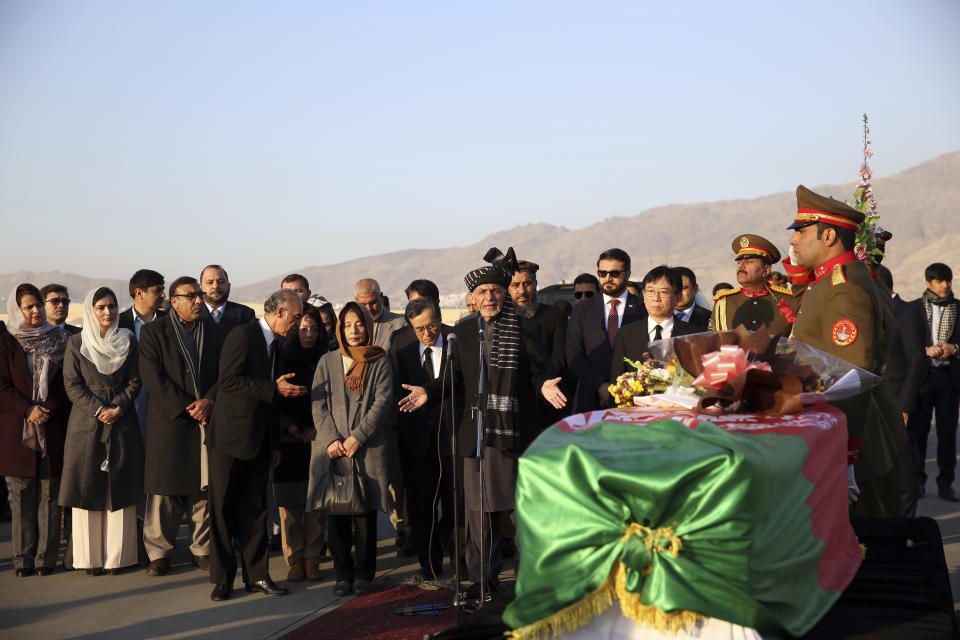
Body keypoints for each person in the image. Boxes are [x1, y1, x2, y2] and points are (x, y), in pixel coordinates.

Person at [450, 249, 566, 593]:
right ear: (472, 298)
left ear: (505, 294)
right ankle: (481, 581)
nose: (490, 297)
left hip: (515, 434)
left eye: (496, 291)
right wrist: (429, 391)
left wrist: (544, 382)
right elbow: (455, 378)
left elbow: (541, 368)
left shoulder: (525, 328)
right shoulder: (464, 331)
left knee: (520, 515)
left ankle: (528, 581)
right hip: (477, 437)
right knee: (477, 515)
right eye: (482, 292)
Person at [785, 184, 903, 517]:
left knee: (863, 549)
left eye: (801, 231)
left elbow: (852, 378)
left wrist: (846, 455)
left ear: (829, 237)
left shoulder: (843, 289)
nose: (793, 240)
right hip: (851, 433)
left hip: (856, 439)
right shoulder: (833, 281)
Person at [206, 289, 306, 601]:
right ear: (279, 313)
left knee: (257, 510)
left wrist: (274, 443)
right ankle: (223, 580)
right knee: (222, 509)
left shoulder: (278, 344)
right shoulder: (243, 335)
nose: (299, 323)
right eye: (297, 316)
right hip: (229, 438)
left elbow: (273, 400)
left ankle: (258, 576)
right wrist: (271, 388)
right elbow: (228, 381)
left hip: (261, 440)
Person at [307, 301, 401, 597]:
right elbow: (318, 403)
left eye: (359, 323)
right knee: (335, 514)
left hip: (367, 448)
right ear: (339, 328)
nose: (354, 330)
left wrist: (357, 437)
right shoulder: (327, 361)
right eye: (347, 325)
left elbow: (382, 403)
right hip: (332, 449)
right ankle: (342, 574)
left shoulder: (380, 362)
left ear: (368, 326)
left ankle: (364, 574)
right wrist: (332, 439)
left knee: (364, 514)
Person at [138, 277, 224, 576]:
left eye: (200, 295)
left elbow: (225, 373)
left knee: (204, 490)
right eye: (192, 296)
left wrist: (210, 400)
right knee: (164, 493)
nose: (199, 300)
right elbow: (153, 377)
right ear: (173, 301)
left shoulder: (215, 332)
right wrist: (187, 407)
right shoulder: (153, 332)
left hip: (206, 421)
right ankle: (158, 552)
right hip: (171, 421)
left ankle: (201, 549)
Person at [59, 287, 144, 576]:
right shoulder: (75, 343)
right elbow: (72, 384)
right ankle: (90, 558)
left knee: (118, 488)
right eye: (101, 307)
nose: (108, 313)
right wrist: (99, 409)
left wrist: (118, 407)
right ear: (90, 310)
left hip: (122, 422)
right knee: (87, 489)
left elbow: (135, 381)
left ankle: (118, 558)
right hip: (86, 424)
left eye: (111, 306)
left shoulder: (129, 341)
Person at [0, 284, 70, 576]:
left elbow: (67, 384)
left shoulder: (60, 340)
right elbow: (1, 387)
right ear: (17, 310)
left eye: (38, 304)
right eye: (28, 306)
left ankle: (46, 558)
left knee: (51, 495)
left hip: (52, 426)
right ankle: (22, 558)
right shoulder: (6, 344)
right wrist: (28, 408)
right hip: (19, 430)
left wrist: (45, 407)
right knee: (22, 495)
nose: (35, 310)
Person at [391, 297, 456, 579]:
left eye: (432, 326)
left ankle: (462, 563)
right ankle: (429, 566)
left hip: (454, 439)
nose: (428, 333)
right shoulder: (402, 351)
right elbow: (395, 394)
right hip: (417, 443)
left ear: (440, 319)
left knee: (456, 508)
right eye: (419, 329)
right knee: (422, 509)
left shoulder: (457, 341)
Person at [274, 304, 327, 582]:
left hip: (318, 437)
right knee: (290, 505)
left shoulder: (327, 357)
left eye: (314, 329)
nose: (308, 334)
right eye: (303, 328)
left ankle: (312, 558)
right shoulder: (282, 355)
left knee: (316, 504)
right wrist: (293, 428)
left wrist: (317, 428)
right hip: (288, 438)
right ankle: (294, 559)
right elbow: (273, 396)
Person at [566, 249, 646, 412]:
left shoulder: (643, 308)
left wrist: (627, 388)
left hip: (634, 399)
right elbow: (574, 354)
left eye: (614, 273)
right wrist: (600, 385)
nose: (608, 278)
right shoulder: (583, 310)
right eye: (602, 273)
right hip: (591, 397)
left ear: (628, 274)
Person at [874, 265, 925, 515]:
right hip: (878, 402)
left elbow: (916, 362)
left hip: (898, 403)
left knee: (904, 470)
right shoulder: (875, 312)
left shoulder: (906, 313)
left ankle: (906, 527)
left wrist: (904, 407)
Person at [907, 263, 960, 501]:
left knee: (948, 432)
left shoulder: (959, 309)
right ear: (928, 283)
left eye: (947, 280)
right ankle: (918, 482)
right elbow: (906, 344)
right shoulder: (914, 310)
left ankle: (945, 483)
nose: (945, 285)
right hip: (923, 378)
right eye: (939, 281)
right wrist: (924, 351)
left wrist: (954, 348)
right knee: (918, 432)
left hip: (949, 379)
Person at [509, 259, 571, 426]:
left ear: (535, 284)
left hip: (546, 400)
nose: (522, 291)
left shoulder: (555, 317)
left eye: (527, 283)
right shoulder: (502, 320)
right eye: (515, 285)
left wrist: (542, 383)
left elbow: (559, 357)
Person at [611, 266, 697, 380]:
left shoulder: (694, 335)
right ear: (644, 295)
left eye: (664, 292)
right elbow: (617, 379)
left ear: (678, 297)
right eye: (651, 291)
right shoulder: (626, 334)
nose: (656, 298)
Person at [710, 234, 798, 336]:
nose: (741, 266)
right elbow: (713, 341)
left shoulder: (790, 300)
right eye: (739, 262)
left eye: (749, 262)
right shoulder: (724, 302)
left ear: (767, 270)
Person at [199, 264, 255, 333]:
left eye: (221, 281)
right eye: (210, 282)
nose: (215, 286)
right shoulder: (193, 315)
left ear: (228, 286)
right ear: (200, 287)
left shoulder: (245, 315)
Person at [355, 278, 406, 350]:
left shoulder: (401, 323)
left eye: (373, 303)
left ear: (381, 297)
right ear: (356, 301)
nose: (369, 309)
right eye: (363, 304)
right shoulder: (349, 328)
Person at [118, 269, 167, 337]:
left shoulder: (168, 320)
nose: (163, 295)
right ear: (139, 293)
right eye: (157, 290)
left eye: (163, 290)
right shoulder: (118, 323)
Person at [672, 267, 711, 331]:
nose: (678, 293)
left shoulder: (710, 318)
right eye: (674, 289)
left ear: (695, 288)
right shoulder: (657, 317)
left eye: (684, 288)